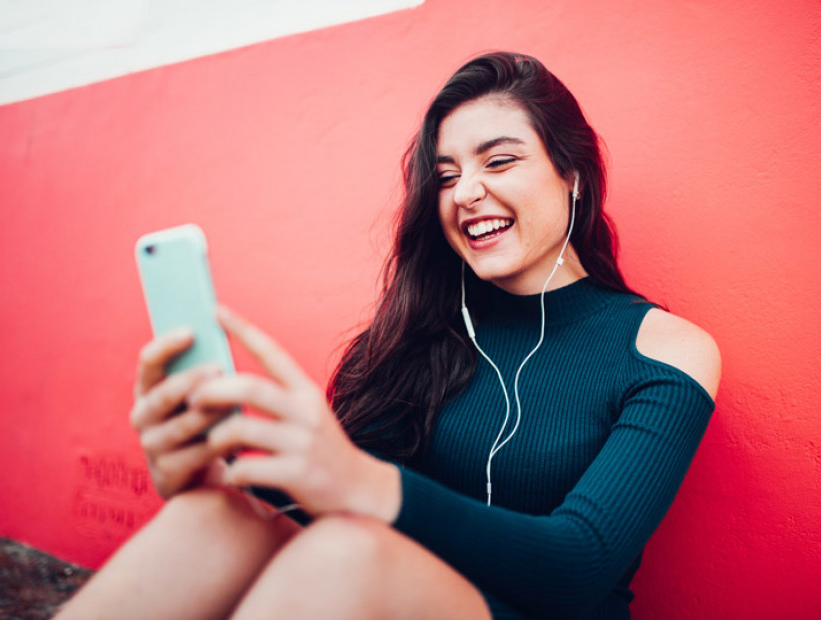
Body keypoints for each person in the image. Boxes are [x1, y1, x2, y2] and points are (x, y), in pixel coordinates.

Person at [56, 51, 720, 620]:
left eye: (500, 161)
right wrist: (212, 477)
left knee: (350, 550)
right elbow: (318, 499)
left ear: (571, 174)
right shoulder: (420, 333)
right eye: (449, 175)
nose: (466, 193)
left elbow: (579, 566)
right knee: (219, 518)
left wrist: (370, 486)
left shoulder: (665, 350)